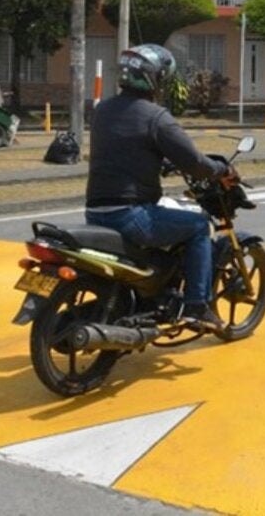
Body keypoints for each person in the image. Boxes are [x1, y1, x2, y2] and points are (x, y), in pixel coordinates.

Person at [84, 44, 233, 332]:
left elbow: (124, 147)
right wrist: (221, 170)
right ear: (155, 79)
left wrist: (158, 162)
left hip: (95, 212)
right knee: (200, 225)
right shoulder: (156, 117)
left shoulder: (101, 111)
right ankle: (197, 306)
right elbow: (195, 162)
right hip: (130, 216)